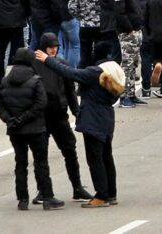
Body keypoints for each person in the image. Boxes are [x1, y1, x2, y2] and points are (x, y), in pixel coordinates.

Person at [36, 44, 125, 208]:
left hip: (92, 120)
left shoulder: (95, 73)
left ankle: (101, 195)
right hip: (107, 119)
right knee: (107, 157)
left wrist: (47, 60)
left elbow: (70, 73)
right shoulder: (115, 73)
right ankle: (111, 193)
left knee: (95, 159)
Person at [0, 47, 61, 210]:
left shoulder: (5, 81)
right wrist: (23, 118)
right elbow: (41, 103)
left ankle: (22, 199)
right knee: (41, 162)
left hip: (15, 129)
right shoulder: (35, 80)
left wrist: (11, 120)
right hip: (35, 128)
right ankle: (47, 197)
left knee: (20, 162)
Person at [30, 33, 93, 204]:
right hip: (40, 117)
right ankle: (43, 190)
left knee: (70, 151)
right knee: (40, 155)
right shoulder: (33, 64)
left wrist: (77, 112)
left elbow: (70, 91)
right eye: (50, 46)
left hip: (59, 115)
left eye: (55, 46)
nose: (53, 49)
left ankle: (77, 187)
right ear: (43, 47)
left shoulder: (61, 64)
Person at [103, 0, 143, 107]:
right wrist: (129, 29)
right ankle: (125, 96)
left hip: (135, 30)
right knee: (127, 64)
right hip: (127, 32)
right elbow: (119, 12)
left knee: (133, 64)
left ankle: (131, 94)